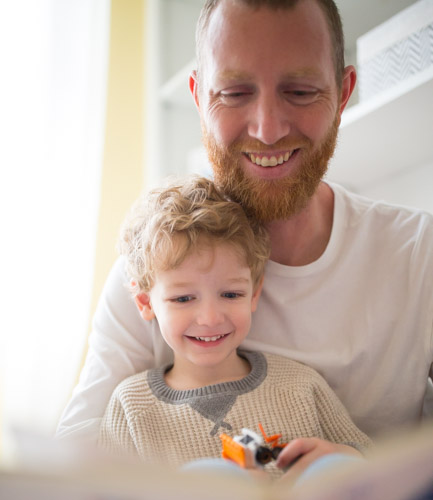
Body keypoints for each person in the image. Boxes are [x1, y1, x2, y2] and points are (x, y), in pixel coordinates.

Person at [2, 0, 433, 500]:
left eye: (300, 90)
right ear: (199, 95)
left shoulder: (417, 255)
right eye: (234, 92)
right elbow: (75, 479)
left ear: (343, 92)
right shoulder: (151, 272)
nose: (265, 127)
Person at [98, 175, 371, 475]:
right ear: (146, 303)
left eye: (231, 294)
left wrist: (338, 456)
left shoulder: (299, 384)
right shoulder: (132, 406)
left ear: (254, 294)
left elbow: (371, 462)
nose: (211, 318)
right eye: (183, 298)